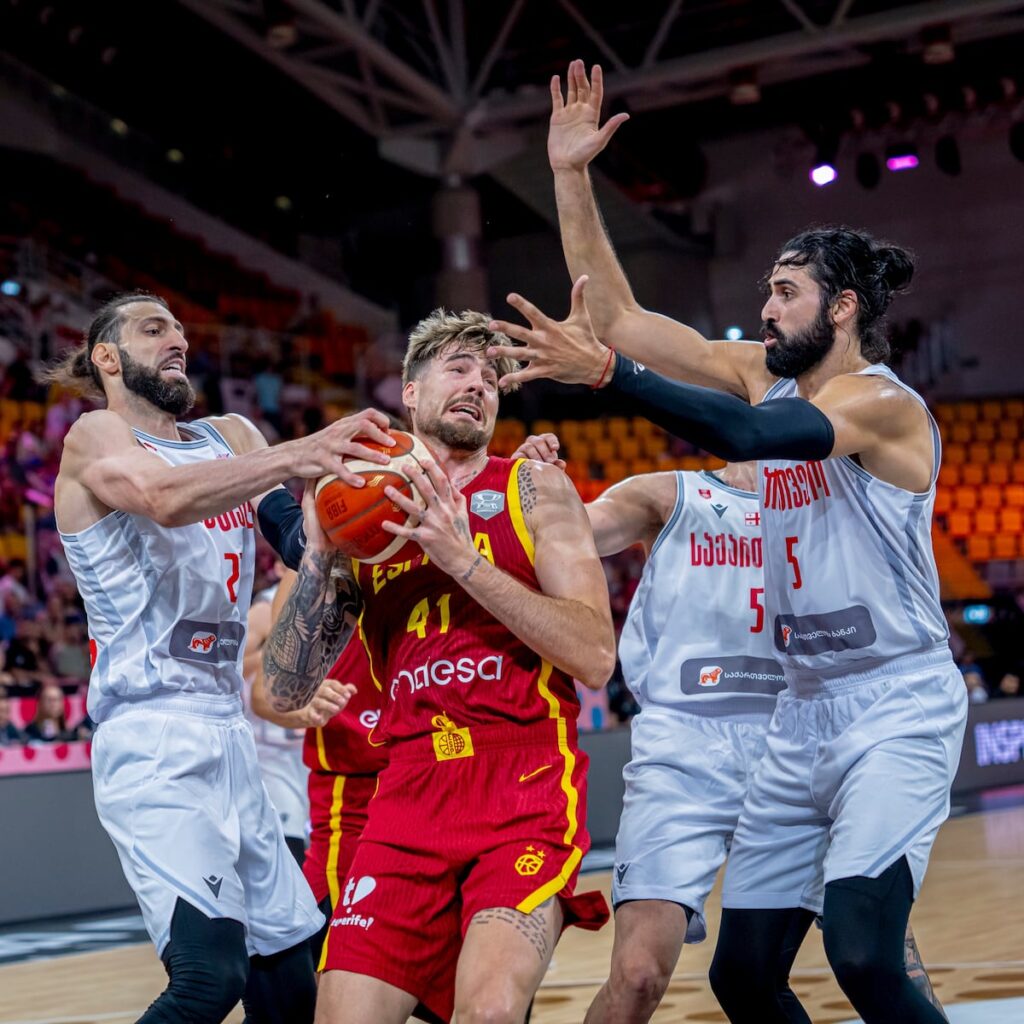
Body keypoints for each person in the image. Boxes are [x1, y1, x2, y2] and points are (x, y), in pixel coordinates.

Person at [483, 63, 966, 1024]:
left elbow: (741, 439)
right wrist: (570, 178)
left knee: (867, 954)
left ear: (840, 308)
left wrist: (612, 373)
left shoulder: (881, 403)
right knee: (743, 977)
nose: (767, 307)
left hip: (894, 704)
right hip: (804, 712)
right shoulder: (763, 373)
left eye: (785, 292)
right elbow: (617, 318)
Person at [47, 291, 396, 1024]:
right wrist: (299, 453)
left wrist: (374, 518)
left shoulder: (232, 436)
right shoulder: (96, 437)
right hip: (152, 735)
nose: (176, 338)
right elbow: (163, 497)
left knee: (289, 982)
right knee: (210, 979)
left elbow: (301, 547)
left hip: (232, 732)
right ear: (106, 357)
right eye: (152, 329)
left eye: (178, 326)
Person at [262, 308, 616, 1024]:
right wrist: (323, 554)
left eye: (490, 377)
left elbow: (595, 655)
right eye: (458, 368)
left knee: (487, 1012)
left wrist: (462, 559)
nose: (478, 384)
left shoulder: (532, 490)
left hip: (521, 780)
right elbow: (284, 686)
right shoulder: (367, 516)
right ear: (411, 393)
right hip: (408, 789)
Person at [248, 566, 382, 962]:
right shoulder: (312, 575)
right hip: (341, 778)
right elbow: (264, 692)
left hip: (439, 770)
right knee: (325, 949)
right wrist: (300, 700)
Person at [242, 563, 314, 865]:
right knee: (289, 844)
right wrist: (280, 651)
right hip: (270, 748)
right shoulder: (263, 608)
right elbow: (231, 664)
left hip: (306, 743)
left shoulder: (333, 597)